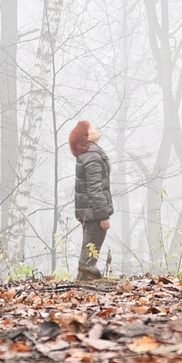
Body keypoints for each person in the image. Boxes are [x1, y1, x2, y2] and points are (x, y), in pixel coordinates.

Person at [69, 119, 111, 280]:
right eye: (90, 128)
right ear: (85, 137)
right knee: (88, 260)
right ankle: (80, 288)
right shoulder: (92, 157)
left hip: (91, 212)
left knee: (89, 257)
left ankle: (82, 287)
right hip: (94, 214)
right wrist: (103, 215)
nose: (95, 127)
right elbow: (95, 189)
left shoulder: (91, 154)